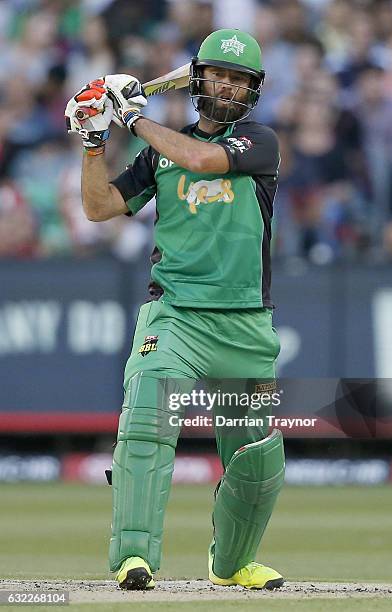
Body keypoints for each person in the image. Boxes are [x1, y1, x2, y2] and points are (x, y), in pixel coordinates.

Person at [65, 29, 285, 591]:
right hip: (176, 316)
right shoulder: (157, 155)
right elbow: (98, 207)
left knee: (256, 457)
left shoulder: (260, 143)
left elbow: (203, 159)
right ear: (198, 79)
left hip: (245, 324)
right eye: (220, 75)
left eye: (240, 79)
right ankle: (133, 558)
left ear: (253, 91)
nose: (229, 87)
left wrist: (132, 117)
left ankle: (232, 565)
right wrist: (94, 140)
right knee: (146, 420)